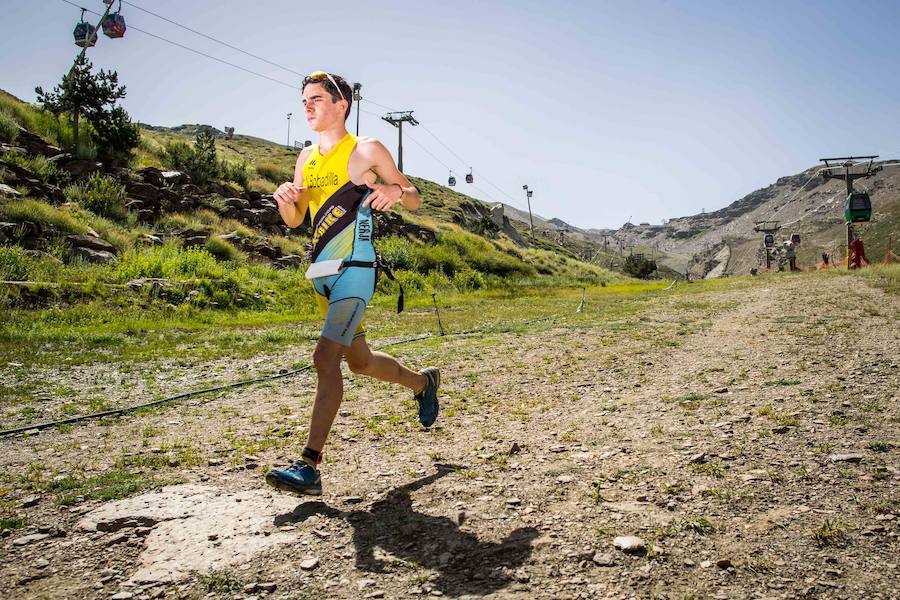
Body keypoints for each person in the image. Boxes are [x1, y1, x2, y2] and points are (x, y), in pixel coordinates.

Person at [265, 71, 440, 496]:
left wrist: (396, 192)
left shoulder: (366, 149)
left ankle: (309, 464)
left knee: (325, 358)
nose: (308, 106)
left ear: (342, 104)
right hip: (322, 272)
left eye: (317, 99)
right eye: (305, 100)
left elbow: (413, 195)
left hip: (357, 269)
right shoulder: (305, 158)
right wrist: (286, 202)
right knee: (358, 362)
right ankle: (423, 383)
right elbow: (295, 220)